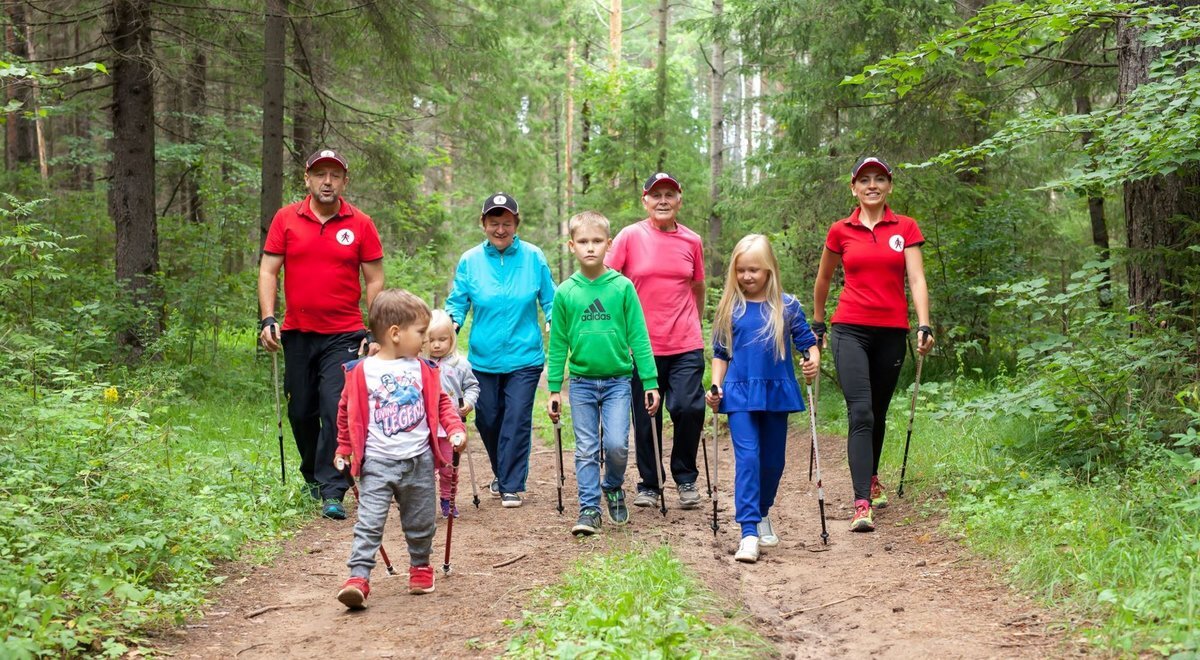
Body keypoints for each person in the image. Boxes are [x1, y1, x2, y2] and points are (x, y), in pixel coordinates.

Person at [258, 148, 385, 520]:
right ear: (307, 179)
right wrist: (268, 319)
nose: (326, 181)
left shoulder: (361, 223)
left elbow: (374, 279)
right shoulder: (286, 219)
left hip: (344, 334)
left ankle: (333, 487)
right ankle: (313, 476)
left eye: (334, 175)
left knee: (335, 408)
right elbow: (269, 271)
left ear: (345, 182)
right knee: (301, 410)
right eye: (319, 174)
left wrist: (372, 329)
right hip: (297, 332)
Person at [812, 156, 934, 533]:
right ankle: (861, 501)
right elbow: (824, 278)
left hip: (891, 333)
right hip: (850, 329)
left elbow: (915, 279)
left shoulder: (906, 228)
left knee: (878, 413)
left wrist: (924, 323)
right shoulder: (840, 230)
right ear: (853, 187)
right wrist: (817, 321)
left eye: (879, 179)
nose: (872, 185)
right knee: (861, 413)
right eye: (864, 179)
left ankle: (872, 475)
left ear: (889, 187)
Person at [334, 290, 466, 608]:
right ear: (395, 333)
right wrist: (343, 447)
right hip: (376, 463)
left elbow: (441, 403)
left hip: (419, 460)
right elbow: (346, 410)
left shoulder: (423, 370)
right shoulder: (361, 371)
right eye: (419, 333)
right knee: (369, 520)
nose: (424, 340)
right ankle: (358, 578)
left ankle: (420, 566)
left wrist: (455, 429)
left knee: (420, 520)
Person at [545, 211, 662, 536]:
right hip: (581, 384)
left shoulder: (622, 288)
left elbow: (639, 336)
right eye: (583, 241)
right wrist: (554, 388)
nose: (590, 248)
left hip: (618, 382)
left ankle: (612, 485)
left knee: (616, 445)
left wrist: (650, 382)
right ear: (572, 246)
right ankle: (589, 509)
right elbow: (558, 344)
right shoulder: (566, 292)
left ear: (609, 244)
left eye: (597, 241)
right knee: (584, 447)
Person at [705, 235, 819, 563]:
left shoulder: (787, 306)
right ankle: (749, 531)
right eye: (741, 270)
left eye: (754, 269)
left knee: (773, 462)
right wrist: (716, 386)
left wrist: (812, 360)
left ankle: (762, 511)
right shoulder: (730, 307)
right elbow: (720, 353)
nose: (747, 276)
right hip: (739, 392)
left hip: (775, 391)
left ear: (769, 270)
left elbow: (806, 342)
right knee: (748, 458)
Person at [446, 192, 556, 508]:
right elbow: (457, 302)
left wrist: (553, 319)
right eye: (494, 223)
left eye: (506, 223)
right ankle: (502, 472)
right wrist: (449, 326)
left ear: (515, 224)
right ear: (484, 224)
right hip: (484, 358)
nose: (500, 229)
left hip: (525, 356)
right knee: (489, 420)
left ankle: (510, 484)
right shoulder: (470, 260)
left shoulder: (534, 257)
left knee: (517, 419)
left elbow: (550, 299)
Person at [606, 172, 707, 510]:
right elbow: (607, 283)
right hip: (641, 346)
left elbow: (697, 287)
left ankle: (685, 477)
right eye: (656, 195)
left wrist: (695, 323)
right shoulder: (629, 236)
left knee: (688, 408)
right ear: (645, 201)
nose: (663, 200)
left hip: (685, 342)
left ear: (679, 200)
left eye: (670, 194)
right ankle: (650, 483)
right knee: (646, 414)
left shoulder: (692, 241)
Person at [424, 309, 480, 519]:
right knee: (425, 469)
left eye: (442, 339)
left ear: (452, 339)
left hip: (451, 428)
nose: (436, 345)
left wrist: (468, 402)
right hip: (426, 428)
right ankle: (424, 503)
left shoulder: (460, 364)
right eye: (431, 340)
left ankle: (448, 499)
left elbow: (473, 387)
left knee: (449, 468)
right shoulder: (420, 365)